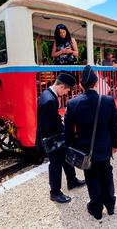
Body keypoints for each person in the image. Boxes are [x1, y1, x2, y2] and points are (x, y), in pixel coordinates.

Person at [65, 65, 117, 220]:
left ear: (81, 85)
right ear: (96, 84)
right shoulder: (108, 101)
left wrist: (72, 146)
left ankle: (96, 209)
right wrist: (115, 145)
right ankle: (110, 206)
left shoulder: (72, 103)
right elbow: (114, 127)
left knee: (92, 177)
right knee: (107, 174)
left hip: (85, 151)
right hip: (104, 148)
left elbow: (68, 132)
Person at [37, 72, 85, 203]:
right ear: (62, 86)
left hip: (55, 137)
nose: (66, 93)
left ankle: (72, 181)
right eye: (67, 90)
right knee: (55, 165)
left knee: (67, 159)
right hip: (53, 139)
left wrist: (60, 119)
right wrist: (65, 127)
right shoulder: (50, 101)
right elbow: (49, 126)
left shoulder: (47, 94)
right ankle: (55, 192)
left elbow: (51, 118)